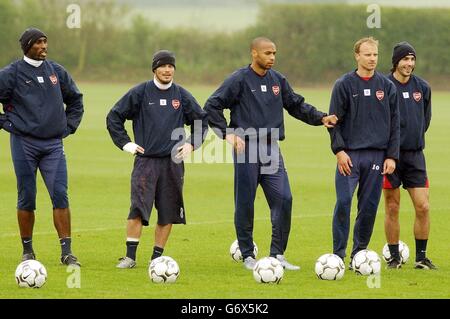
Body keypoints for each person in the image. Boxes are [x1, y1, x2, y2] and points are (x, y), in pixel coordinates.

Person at [204, 37, 337, 271]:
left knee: (284, 199)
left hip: (271, 148)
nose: (272, 58)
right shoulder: (239, 79)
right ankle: (247, 255)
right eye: (267, 53)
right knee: (245, 202)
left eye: (274, 53)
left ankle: (278, 254)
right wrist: (226, 133)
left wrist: (320, 117)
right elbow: (212, 105)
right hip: (246, 148)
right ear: (254, 54)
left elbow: (296, 104)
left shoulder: (278, 80)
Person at [106, 50, 208, 268]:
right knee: (138, 207)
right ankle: (130, 257)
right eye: (163, 66)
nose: (167, 70)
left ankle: (157, 257)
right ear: (154, 69)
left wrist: (191, 143)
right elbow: (114, 116)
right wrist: (126, 144)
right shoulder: (141, 92)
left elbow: (201, 121)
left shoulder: (181, 95)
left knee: (168, 210)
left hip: (173, 163)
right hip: (146, 161)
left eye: (171, 66)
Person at [0, 27, 84, 266]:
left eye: (45, 42)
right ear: (27, 46)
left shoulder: (56, 71)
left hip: (53, 146)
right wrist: (6, 122)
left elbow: (76, 99)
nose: (44, 46)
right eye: (38, 43)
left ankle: (67, 252)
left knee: (60, 195)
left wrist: (68, 126)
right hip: (23, 144)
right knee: (26, 197)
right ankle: (27, 251)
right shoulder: (11, 74)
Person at [328, 37, 400, 268]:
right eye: (367, 54)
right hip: (349, 155)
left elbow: (395, 123)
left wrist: (391, 155)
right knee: (344, 201)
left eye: (375, 55)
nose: (372, 59)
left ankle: (358, 254)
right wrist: (339, 150)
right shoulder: (344, 84)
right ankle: (338, 255)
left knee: (368, 206)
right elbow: (333, 122)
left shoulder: (387, 87)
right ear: (357, 56)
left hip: (377, 157)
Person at [382, 42, 436, 270]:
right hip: (390, 157)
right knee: (392, 207)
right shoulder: (383, 86)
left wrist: (412, 139)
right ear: (396, 62)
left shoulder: (422, 87)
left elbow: (425, 120)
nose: (409, 64)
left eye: (412, 59)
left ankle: (421, 258)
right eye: (405, 59)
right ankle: (394, 258)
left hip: (415, 156)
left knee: (423, 206)